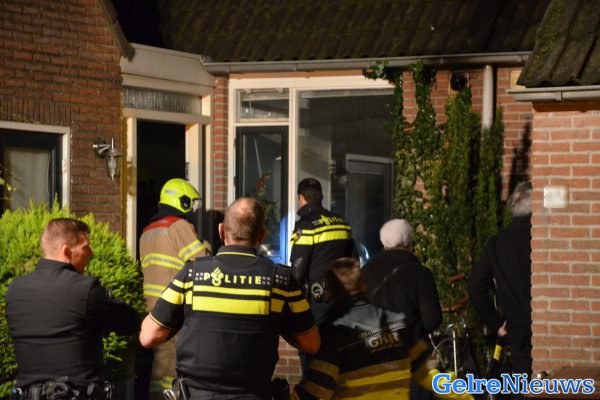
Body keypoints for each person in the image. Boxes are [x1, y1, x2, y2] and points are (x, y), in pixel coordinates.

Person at [140, 197, 320, 400]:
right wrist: (277, 323)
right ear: (262, 235)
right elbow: (312, 344)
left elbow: (148, 336)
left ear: (221, 231)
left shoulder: (191, 274)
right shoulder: (281, 280)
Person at [292, 258, 471, 400]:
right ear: (363, 284)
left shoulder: (331, 333)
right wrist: (466, 396)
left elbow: (316, 389)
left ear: (329, 290)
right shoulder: (397, 321)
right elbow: (430, 373)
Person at [5, 218, 139, 399]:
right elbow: (130, 322)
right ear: (66, 251)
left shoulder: (15, 290)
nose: (91, 253)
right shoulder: (87, 290)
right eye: (85, 247)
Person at [139, 178, 211, 398]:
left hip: (153, 310)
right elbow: (203, 261)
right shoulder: (178, 226)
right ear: (182, 201)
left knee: (160, 364)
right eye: (191, 203)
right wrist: (207, 244)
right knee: (173, 366)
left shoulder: (147, 230)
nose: (193, 210)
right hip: (175, 308)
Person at [362, 219, 442, 400]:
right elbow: (432, 320)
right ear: (408, 243)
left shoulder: (365, 272)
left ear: (383, 243)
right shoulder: (420, 273)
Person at [467, 182, 533, 377]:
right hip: (552, 327)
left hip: (517, 331)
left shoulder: (498, 242)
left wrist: (495, 322)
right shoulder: (545, 237)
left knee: (523, 385)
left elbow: (475, 286)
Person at [290, 177, 355, 325]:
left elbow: (298, 270)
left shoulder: (306, 225)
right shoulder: (342, 222)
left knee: (316, 337)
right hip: (343, 295)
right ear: (321, 197)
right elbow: (354, 259)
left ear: (301, 197)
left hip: (319, 298)